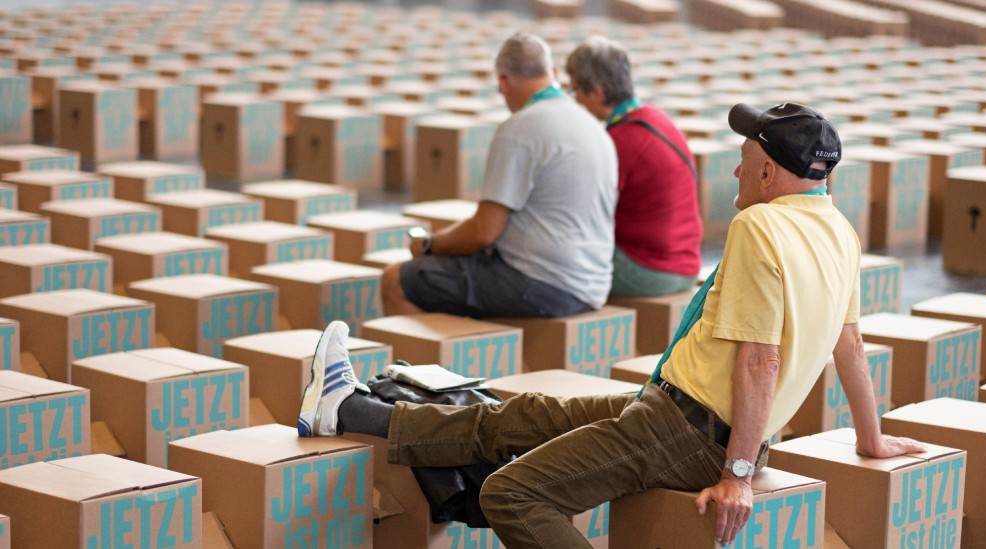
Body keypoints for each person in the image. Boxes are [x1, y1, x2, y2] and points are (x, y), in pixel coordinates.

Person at [299, 102, 926, 547]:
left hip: (690, 430)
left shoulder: (759, 226)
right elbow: (851, 346)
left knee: (512, 495)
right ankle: (348, 411)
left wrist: (736, 478)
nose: (735, 171)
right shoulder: (840, 232)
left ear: (768, 172)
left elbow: (760, 360)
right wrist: (869, 440)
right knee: (526, 414)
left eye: (743, 159)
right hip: (686, 415)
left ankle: (353, 412)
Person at [380, 32, 618, 318]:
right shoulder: (593, 125)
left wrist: (430, 245)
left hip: (543, 283)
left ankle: (422, 361)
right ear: (553, 73)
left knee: (396, 279)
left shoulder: (519, 129)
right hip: (594, 284)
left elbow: (483, 232)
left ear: (503, 83)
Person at [566, 37, 702, 297]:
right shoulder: (658, 119)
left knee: (551, 263)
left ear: (597, 92)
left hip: (651, 270)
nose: (575, 101)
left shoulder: (621, 141)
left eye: (576, 91)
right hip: (686, 264)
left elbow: (587, 213)